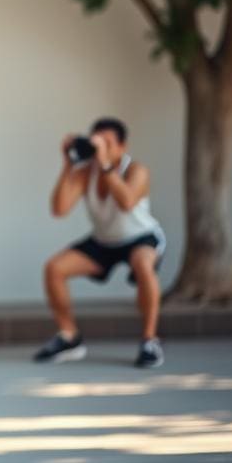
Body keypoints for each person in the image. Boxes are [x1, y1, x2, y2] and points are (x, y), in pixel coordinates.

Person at [36, 118, 166, 368]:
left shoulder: (137, 170)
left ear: (122, 146)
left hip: (141, 237)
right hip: (104, 240)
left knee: (143, 265)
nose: (101, 149)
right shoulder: (86, 173)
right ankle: (69, 336)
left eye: (107, 143)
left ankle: (150, 340)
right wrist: (68, 165)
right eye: (97, 142)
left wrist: (106, 166)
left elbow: (126, 202)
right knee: (54, 268)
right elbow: (59, 209)